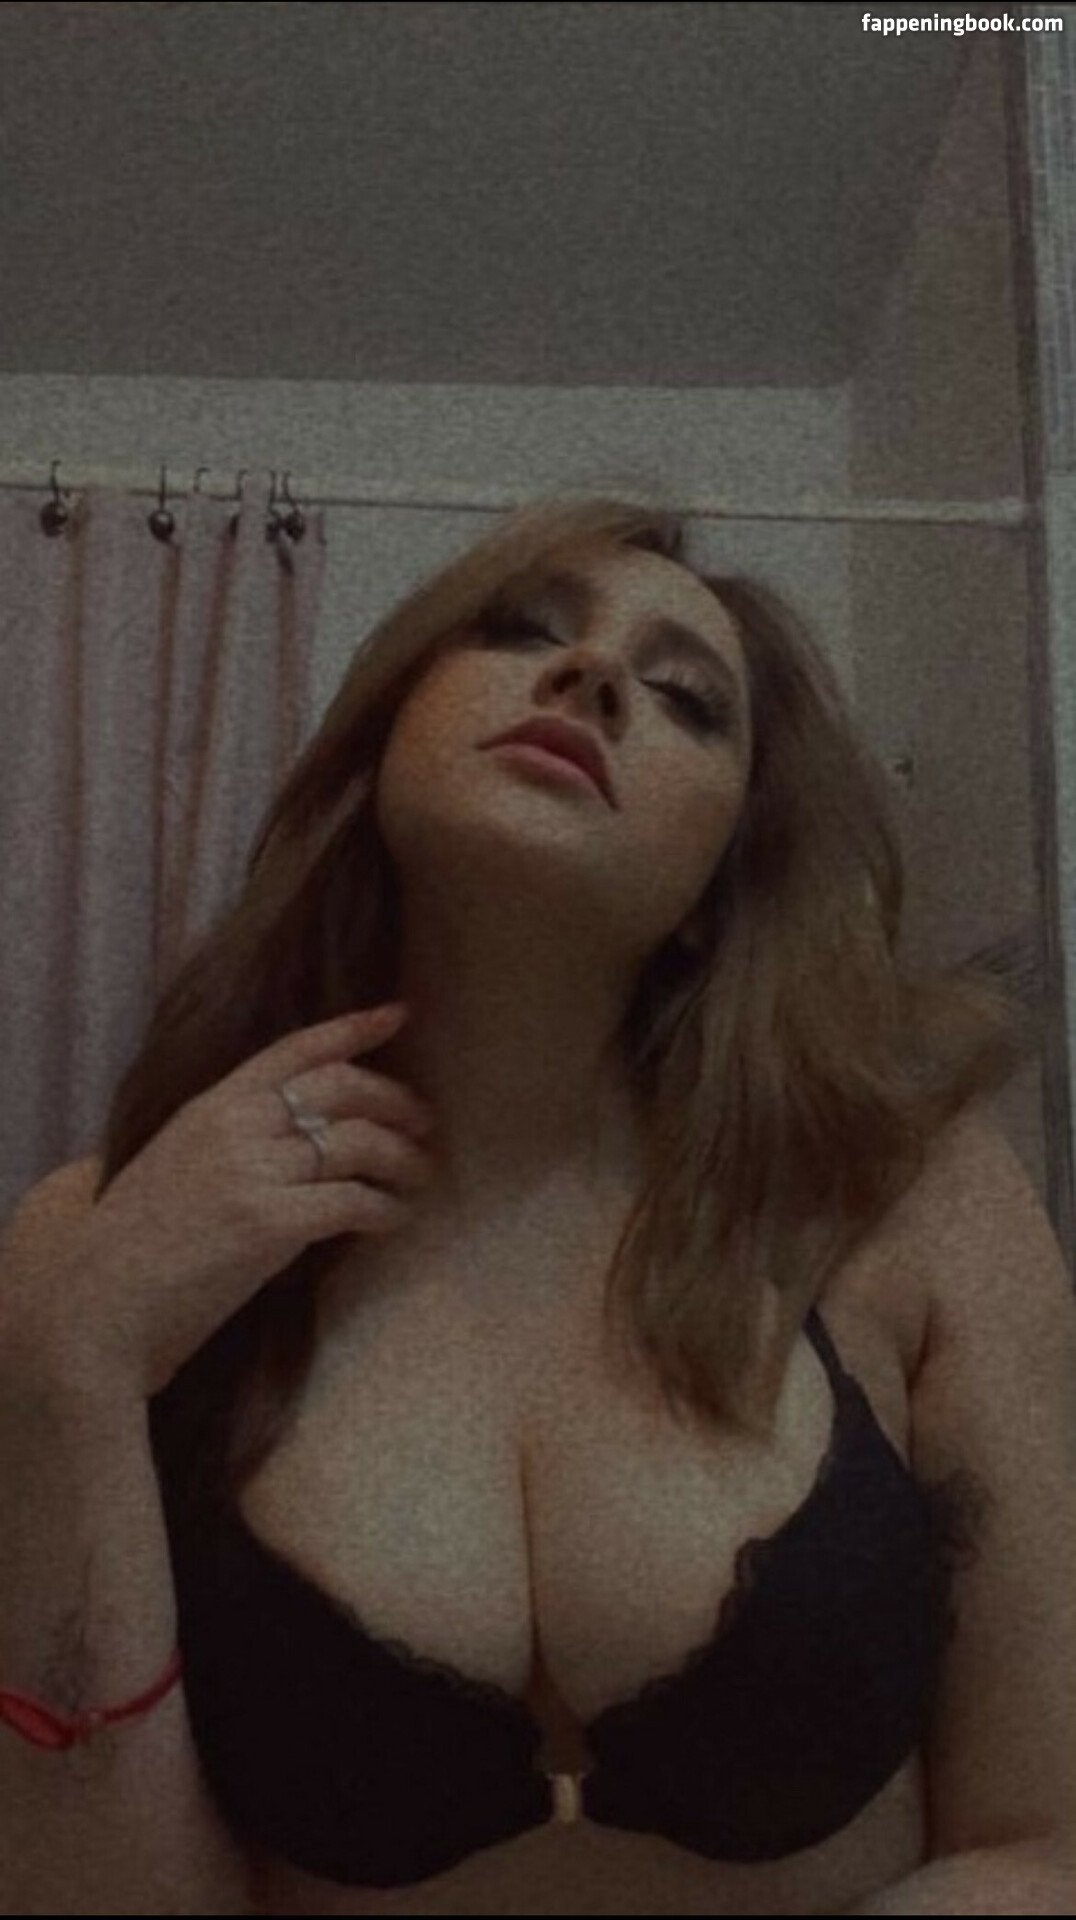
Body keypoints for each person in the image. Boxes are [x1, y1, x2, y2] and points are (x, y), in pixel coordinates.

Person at [2, 493, 1074, 1918]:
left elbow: (1046, 1843)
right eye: (521, 632)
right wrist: (70, 1365)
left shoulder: (905, 1203)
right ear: (382, 742)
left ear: (714, 890)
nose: (593, 675)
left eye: (687, 701)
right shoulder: (98, 1243)